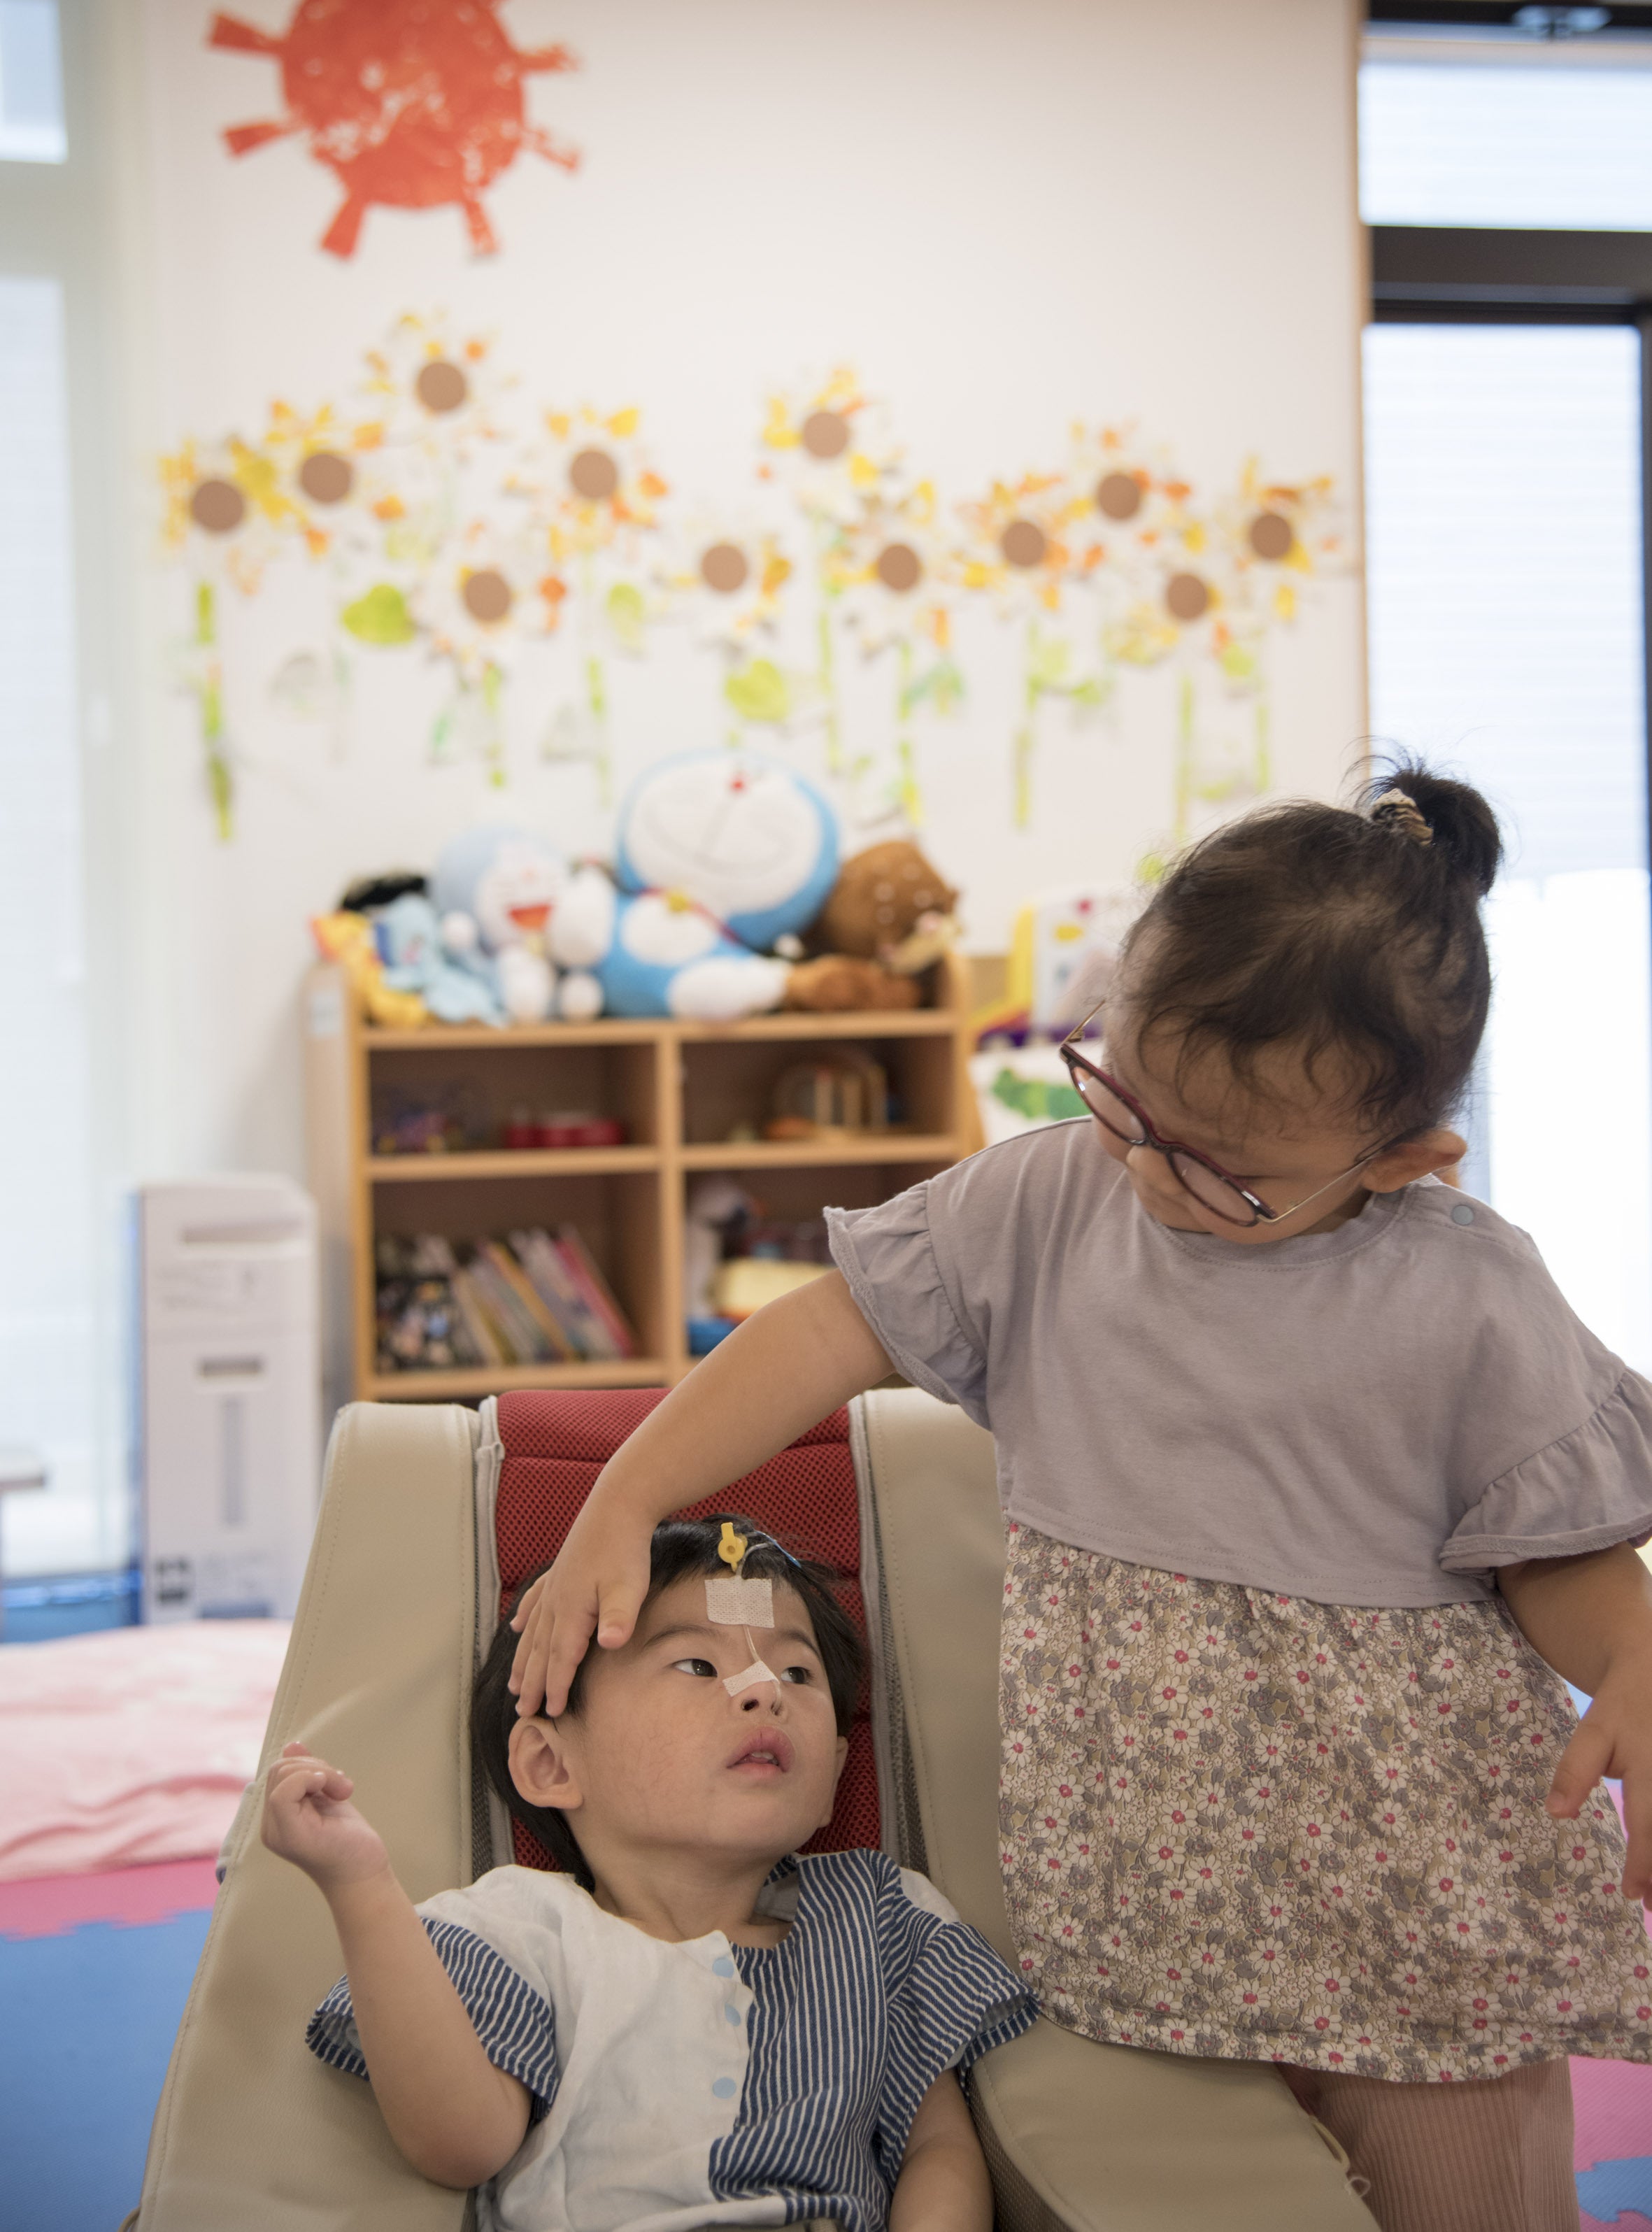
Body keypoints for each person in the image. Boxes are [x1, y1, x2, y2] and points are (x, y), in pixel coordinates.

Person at [509, 767, 1652, 2232]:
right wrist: (624, 1492)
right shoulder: (1043, 1202)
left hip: (1422, 1910)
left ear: (1401, 1160)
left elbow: (1553, 1551)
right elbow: (815, 1334)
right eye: (1128, 1105)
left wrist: (1629, 1652)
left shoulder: (1467, 1292)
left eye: (1228, 1171)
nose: (1155, 1176)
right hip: (1159, 1909)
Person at [263, 1514, 1034, 2232]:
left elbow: (938, 2147)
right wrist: (361, 1885)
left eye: (798, 1673)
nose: (763, 1690)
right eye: (698, 1664)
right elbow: (461, 2144)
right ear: (551, 1763)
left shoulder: (878, 1919)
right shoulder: (520, 1931)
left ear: (834, 1772)